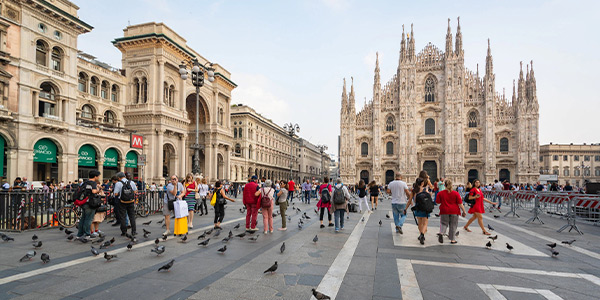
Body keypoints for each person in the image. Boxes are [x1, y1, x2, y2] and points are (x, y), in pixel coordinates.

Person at [436, 179, 467, 244]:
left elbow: (438, 202)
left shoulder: (440, 193)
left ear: (444, 185)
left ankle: (441, 233)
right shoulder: (456, 193)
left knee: (444, 223)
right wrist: (464, 211)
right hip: (454, 211)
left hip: (444, 210)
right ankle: (453, 239)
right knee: (453, 225)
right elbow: (460, 203)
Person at [76, 170, 103, 241]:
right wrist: (99, 190)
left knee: (83, 218)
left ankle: (79, 234)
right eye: (98, 176)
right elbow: (94, 191)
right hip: (90, 203)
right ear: (95, 176)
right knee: (89, 219)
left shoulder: (85, 182)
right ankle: (87, 234)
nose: (98, 177)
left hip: (83, 202)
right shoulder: (93, 183)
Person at [406, 178, 432, 245]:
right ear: (422, 183)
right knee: (425, 223)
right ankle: (422, 234)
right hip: (425, 208)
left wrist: (405, 209)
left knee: (419, 223)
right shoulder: (424, 189)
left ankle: (421, 234)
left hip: (418, 207)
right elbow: (429, 196)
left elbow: (410, 201)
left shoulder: (414, 190)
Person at [113, 172, 138, 237]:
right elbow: (135, 191)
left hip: (122, 202)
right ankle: (134, 231)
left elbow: (115, 193)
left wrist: (120, 194)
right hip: (131, 201)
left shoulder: (118, 183)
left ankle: (124, 231)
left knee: (123, 216)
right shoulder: (131, 182)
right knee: (132, 216)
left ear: (119, 178)